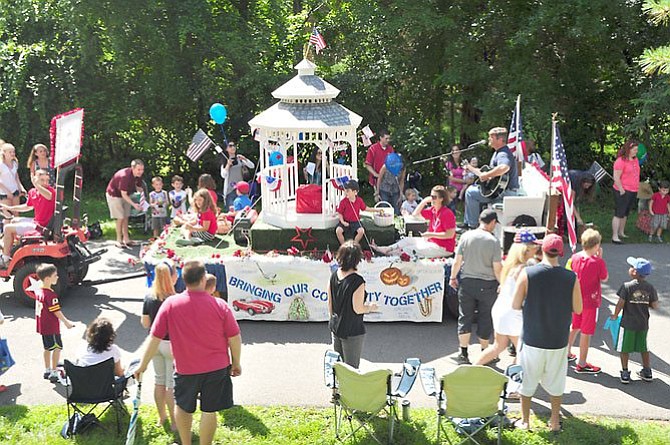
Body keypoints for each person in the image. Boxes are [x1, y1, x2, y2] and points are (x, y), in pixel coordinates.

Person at [135, 260, 242, 445]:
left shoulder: (170, 304)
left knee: (184, 408)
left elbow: (154, 338)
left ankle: (186, 443)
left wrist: (142, 365)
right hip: (217, 367)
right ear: (203, 279)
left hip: (186, 369)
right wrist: (236, 362)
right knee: (209, 410)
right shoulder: (220, 305)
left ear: (183, 280)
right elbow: (234, 337)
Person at [511, 234, 583, 432]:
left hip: (532, 336)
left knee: (527, 379)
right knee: (556, 380)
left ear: (542, 250)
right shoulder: (571, 277)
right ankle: (554, 421)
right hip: (558, 338)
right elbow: (578, 308)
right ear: (560, 252)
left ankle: (525, 421)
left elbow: (515, 304)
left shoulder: (528, 273)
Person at [474, 231, 541, 366]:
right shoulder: (524, 269)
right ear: (526, 250)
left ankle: (472, 369)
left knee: (498, 347)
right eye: (534, 246)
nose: (537, 249)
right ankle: (515, 380)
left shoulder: (510, 266)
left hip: (501, 310)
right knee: (523, 351)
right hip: (513, 313)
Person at [449, 209, 502, 364]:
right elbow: (497, 267)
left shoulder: (466, 236)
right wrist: (502, 284)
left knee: (465, 316)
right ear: (492, 222)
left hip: (467, 283)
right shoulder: (493, 241)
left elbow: (457, 261)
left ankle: (463, 353)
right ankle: (485, 352)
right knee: (485, 317)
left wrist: (453, 277)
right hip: (488, 285)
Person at [328, 241, 378, 368]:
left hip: (336, 326)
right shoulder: (357, 281)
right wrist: (371, 307)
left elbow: (330, 302)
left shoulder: (334, 275)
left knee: (337, 366)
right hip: (352, 330)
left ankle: (337, 388)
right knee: (351, 369)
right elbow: (358, 308)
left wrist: (333, 320)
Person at [371, 185, 456, 258]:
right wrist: (424, 201)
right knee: (407, 240)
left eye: (434, 197)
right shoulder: (433, 210)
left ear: (441, 199)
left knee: (409, 249)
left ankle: (386, 255)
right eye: (431, 196)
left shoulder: (447, 213)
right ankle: (386, 249)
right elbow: (415, 214)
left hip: (443, 248)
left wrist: (430, 234)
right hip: (431, 242)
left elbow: (450, 234)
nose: (431, 199)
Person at [141, 260, 178, 429]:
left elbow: (145, 323)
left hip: (154, 344)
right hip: (171, 344)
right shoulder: (175, 299)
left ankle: (161, 417)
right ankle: (174, 421)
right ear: (172, 277)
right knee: (171, 384)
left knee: (159, 381)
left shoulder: (149, 296)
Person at [566, 229, 609, 373]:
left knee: (575, 325)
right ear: (596, 245)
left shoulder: (575, 257)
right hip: (590, 301)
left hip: (575, 299)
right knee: (586, 331)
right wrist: (600, 258)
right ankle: (582, 363)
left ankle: (566, 351)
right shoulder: (598, 262)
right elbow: (604, 278)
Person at [611, 257, 658, 384]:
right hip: (643, 324)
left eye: (631, 267)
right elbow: (655, 305)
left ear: (634, 272)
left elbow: (620, 303)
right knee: (644, 347)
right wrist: (644, 302)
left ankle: (625, 372)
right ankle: (647, 371)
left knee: (624, 348)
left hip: (627, 323)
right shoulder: (650, 287)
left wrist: (615, 315)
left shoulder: (627, 287)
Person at [463, 128, 519, 229]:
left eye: (491, 137)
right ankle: (469, 223)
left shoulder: (503, 153)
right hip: (499, 191)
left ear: (500, 139)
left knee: (471, 192)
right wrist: (471, 168)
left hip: (506, 192)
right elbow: (486, 174)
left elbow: (504, 167)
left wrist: (486, 175)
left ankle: (472, 226)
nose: (489, 139)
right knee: (474, 189)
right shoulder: (497, 153)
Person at [0, 169, 56, 265]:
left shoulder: (51, 191)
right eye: (42, 180)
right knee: (13, 221)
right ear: (35, 178)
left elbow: (49, 196)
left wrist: (37, 185)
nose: (45, 183)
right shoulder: (33, 192)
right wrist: (9, 207)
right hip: (36, 222)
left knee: (7, 228)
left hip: (41, 227)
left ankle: (5, 259)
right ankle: (12, 249)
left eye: (47, 180)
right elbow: (27, 207)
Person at [35, 263, 74, 383]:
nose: (57, 277)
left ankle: (47, 369)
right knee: (57, 348)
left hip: (43, 327)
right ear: (47, 278)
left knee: (47, 348)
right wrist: (66, 322)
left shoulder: (39, 292)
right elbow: (56, 311)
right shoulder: (51, 295)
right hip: (52, 328)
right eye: (55, 275)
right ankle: (54, 371)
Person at [76, 318, 129, 394]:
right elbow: (119, 373)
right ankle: (118, 398)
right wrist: (123, 369)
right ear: (110, 335)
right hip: (105, 390)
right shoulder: (113, 350)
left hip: (85, 389)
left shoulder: (82, 348)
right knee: (130, 367)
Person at [105, 159, 145, 248]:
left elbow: (137, 186)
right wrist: (134, 204)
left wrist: (141, 192)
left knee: (126, 217)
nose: (141, 172)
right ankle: (118, 240)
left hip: (126, 195)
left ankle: (126, 239)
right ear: (133, 168)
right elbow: (123, 194)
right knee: (120, 217)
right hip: (114, 195)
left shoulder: (138, 176)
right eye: (139, 169)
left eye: (142, 169)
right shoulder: (125, 176)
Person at [335, 180, 382, 245]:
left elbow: (365, 208)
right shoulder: (343, 202)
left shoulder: (359, 200)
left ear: (355, 192)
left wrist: (377, 210)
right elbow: (340, 213)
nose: (345, 192)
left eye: (348, 191)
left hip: (355, 222)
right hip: (345, 221)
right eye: (345, 190)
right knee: (338, 231)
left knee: (361, 231)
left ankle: (355, 244)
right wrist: (342, 222)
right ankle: (343, 246)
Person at [611, 140, 640, 244]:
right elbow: (616, 177)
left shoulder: (635, 160)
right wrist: (621, 189)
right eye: (634, 150)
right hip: (622, 190)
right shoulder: (620, 161)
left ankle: (621, 232)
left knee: (625, 213)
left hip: (633, 189)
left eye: (637, 150)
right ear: (628, 150)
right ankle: (614, 236)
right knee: (619, 212)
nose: (636, 152)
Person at [220, 141, 254, 209]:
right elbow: (223, 175)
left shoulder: (239, 159)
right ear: (226, 149)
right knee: (232, 210)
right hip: (230, 190)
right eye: (230, 146)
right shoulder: (225, 161)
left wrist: (244, 159)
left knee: (244, 210)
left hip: (241, 189)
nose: (233, 147)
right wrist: (228, 165)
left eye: (234, 145)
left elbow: (252, 166)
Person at [0, 143, 27, 215]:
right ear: (4, 153)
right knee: (7, 215)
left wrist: (21, 188)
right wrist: (7, 192)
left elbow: (16, 177)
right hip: (4, 193)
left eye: (13, 151)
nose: (12, 153)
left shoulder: (15, 163)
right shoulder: (1, 165)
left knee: (16, 214)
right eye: (10, 152)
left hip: (15, 191)